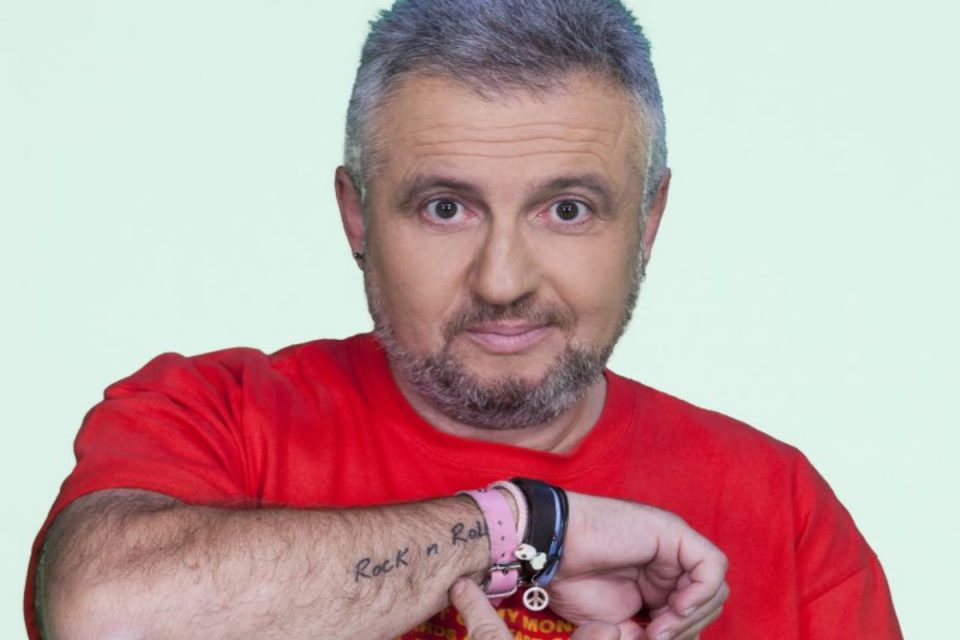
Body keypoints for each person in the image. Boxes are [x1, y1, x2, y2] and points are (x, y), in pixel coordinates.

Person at [27, 1, 902, 638]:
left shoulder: (779, 507)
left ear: (649, 219)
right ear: (357, 215)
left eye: (567, 209)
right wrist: (524, 528)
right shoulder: (217, 419)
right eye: (446, 208)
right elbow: (102, 614)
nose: (503, 280)